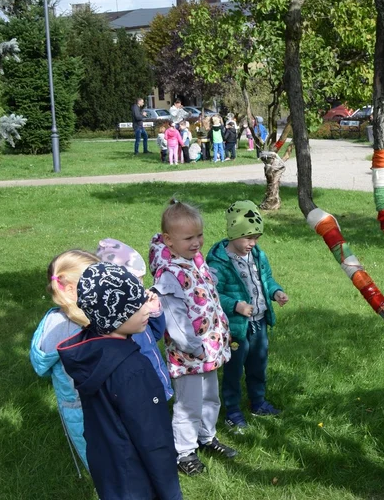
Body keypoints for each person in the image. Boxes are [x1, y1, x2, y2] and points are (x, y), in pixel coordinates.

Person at [57, 262, 201, 500]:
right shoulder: (132, 367)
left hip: (106, 465)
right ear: (117, 315)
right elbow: (152, 437)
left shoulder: (91, 353)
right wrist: (168, 487)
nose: (148, 309)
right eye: (138, 305)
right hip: (138, 474)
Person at [148, 199, 236, 475]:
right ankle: (184, 452)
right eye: (188, 238)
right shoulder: (170, 274)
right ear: (168, 240)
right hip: (189, 354)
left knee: (211, 397)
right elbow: (174, 319)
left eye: (199, 235)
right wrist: (194, 347)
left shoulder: (195, 264)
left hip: (209, 349)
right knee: (188, 404)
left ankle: (206, 437)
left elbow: (209, 300)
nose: (197, 242)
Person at [30, 249, 105, 500]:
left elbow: (39, 363)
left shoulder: (52, 322)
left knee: (109, 477)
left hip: (76, 411)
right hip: (95, 412)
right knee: (112, 481)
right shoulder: (93, 318)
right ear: (75, 287)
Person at [206, 200, 289, 430]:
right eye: (248, 238)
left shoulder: (258, 256)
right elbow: (212, 294)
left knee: (258, 364)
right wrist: (236, 306)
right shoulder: (218, 262)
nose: (253, 243)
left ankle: (258, 402)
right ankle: (232, 410)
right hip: (236, 328)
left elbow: (267, 280)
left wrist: (276, 292)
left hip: (259, 323)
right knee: (234, 369)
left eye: (256, 238)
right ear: (233, 233)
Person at [95, 239, 173, 402]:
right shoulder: (120, 323)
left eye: (141, 280)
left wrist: (154, 311)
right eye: (135, 281)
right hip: (141, 392)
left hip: (156, 383)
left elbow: (154, 337)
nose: (140, 287)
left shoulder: (139, 309)